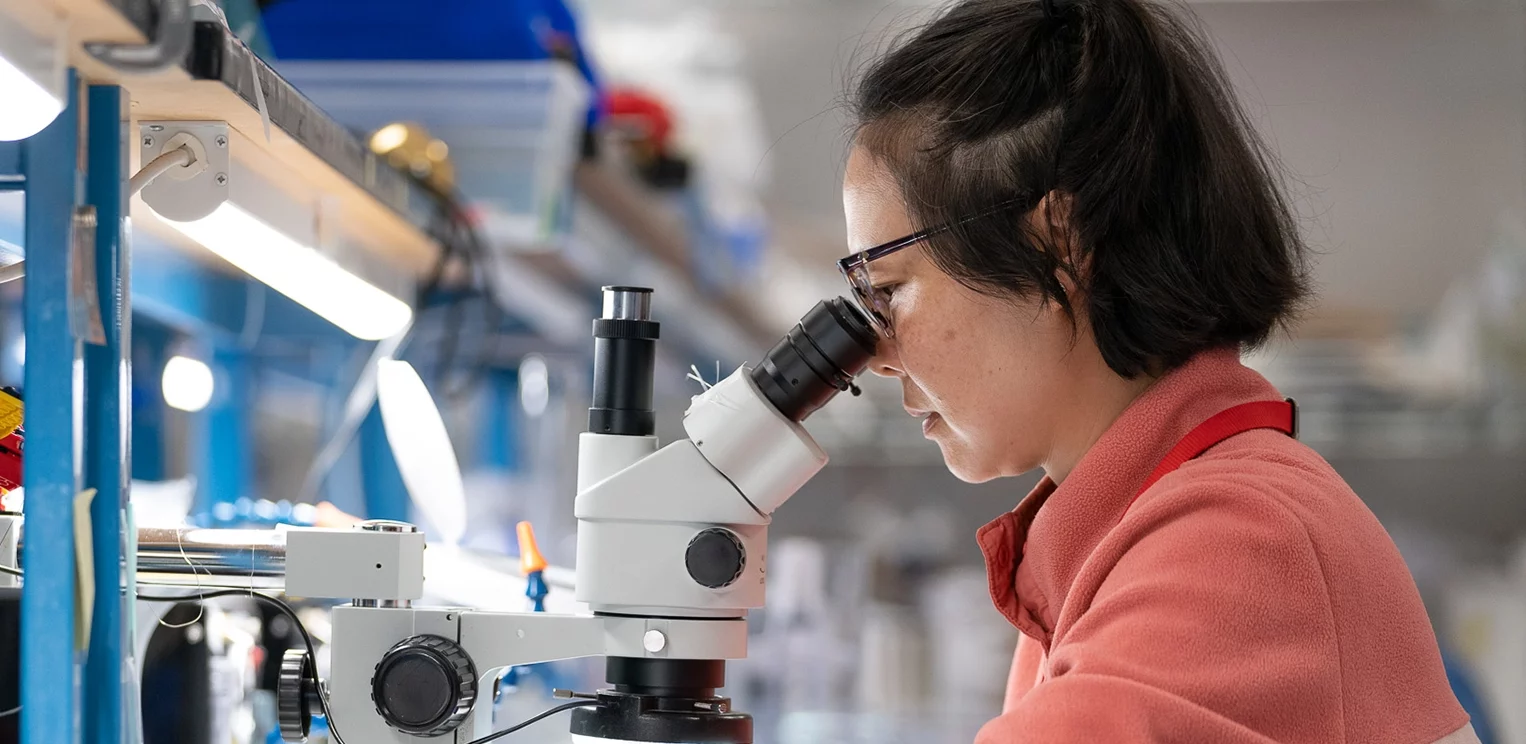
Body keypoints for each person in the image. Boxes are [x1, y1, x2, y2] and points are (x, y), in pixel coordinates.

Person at [838, 0, 1476, 742]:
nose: (876, 356)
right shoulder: (1105, 548)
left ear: (1059, 242)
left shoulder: (1241, 542)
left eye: (886, 291)